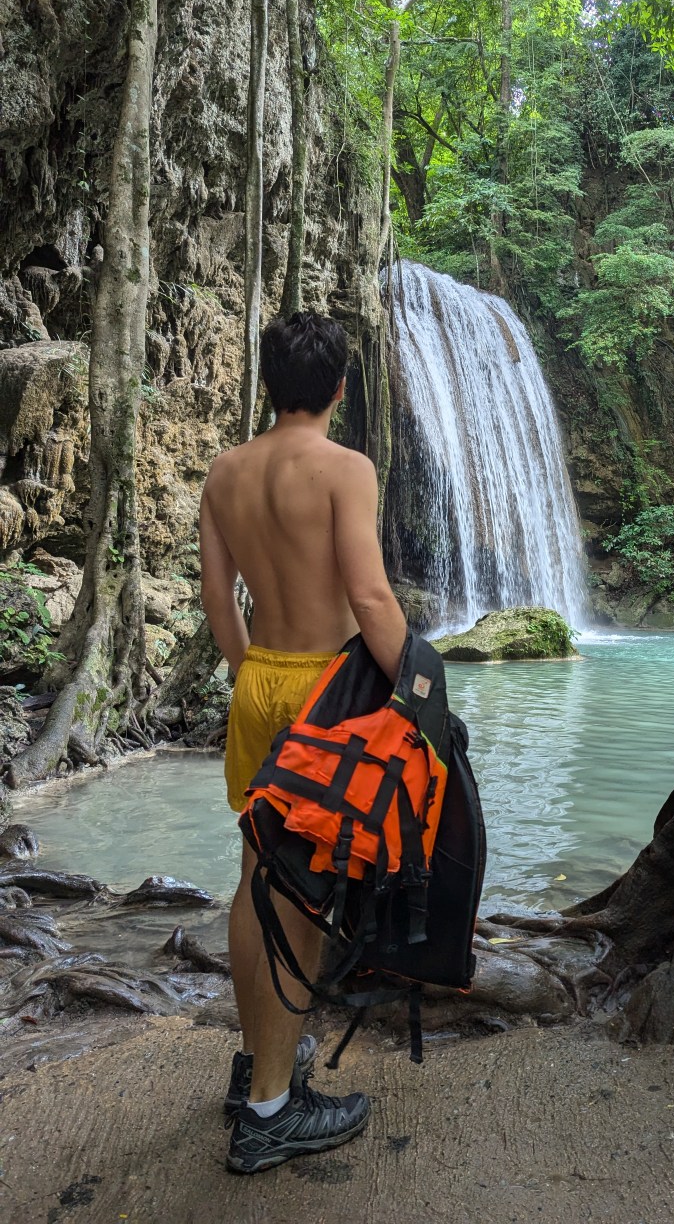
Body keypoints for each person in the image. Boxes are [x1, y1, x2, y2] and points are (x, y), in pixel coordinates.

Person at [199, 310, 408, 1174]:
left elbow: (220, 607)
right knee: (305, 897)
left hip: (258, 684)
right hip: (328, 695)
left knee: (256, 879)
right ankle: (273, 1113)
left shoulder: (224, 474)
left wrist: (261, 677)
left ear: (266, 384)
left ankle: (260, 1060)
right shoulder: (344, 468)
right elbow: (369, 597)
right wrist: (421, 691)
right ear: (339, 389)